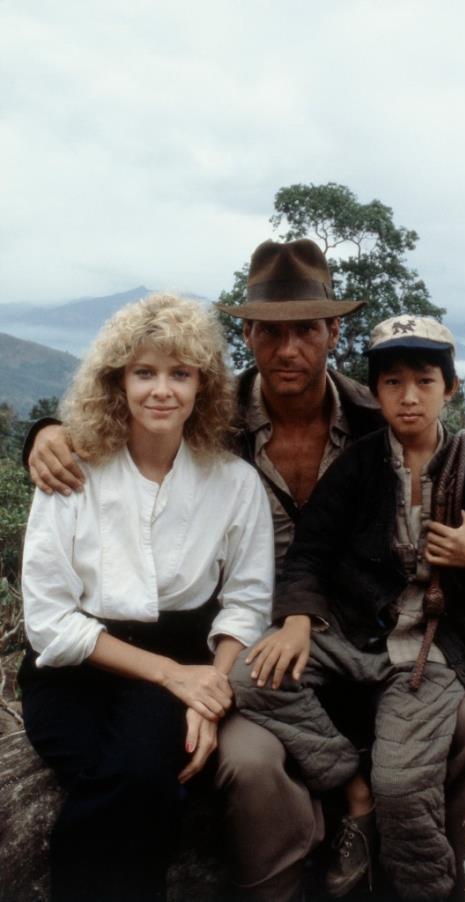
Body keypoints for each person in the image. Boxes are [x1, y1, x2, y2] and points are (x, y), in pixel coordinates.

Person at [25, 239, 465, 901]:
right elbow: (132, 423)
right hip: (262, 659)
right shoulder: (214, 426)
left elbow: (464, 474)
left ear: (332, 332)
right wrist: (48, 432)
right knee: (247, 764)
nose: (288, 350)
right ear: (246, 334)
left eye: (306, 331)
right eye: (271, 332)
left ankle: (458, 884)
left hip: (376, 640)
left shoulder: (379, 417)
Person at [231, 314, 465, 900]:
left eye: (425, 382)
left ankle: (423, 888)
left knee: (403, 786)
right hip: (355, 636)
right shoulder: (360, 464)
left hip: (428, 649)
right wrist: (300, 619)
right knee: (249, 676)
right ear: (374, 392)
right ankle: (351, 786)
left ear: (450, 388)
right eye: (393, 383)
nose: (409, 398)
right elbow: (312, 550)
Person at [18, 294, 274, 902]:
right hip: (74, 668)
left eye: (179, 373)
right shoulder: (71, 472)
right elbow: (51, 621)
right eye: (144, 372)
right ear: (118, 382)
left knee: (140, 775)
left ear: (204, 386)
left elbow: (247, 601)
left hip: (183, 659)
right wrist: (176, 679)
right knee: (143, 786)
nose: (162, 390)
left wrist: (208, 693)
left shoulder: (234, 483)